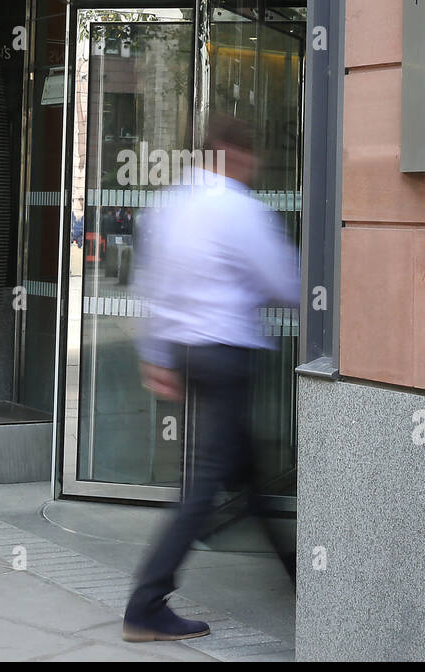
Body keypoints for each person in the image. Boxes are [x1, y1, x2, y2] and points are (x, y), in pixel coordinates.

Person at [122, 111, 301, 642]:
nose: (254, 170)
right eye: (252, 161)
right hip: (225, 355)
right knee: (203, 484)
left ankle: (297, 574)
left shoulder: (170, 204)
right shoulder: (239, 209)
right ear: (239, 155)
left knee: (244, 472)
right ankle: (146, 603)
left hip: (184, 352)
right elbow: (285, 284)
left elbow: (148, 285)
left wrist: (155, 355)